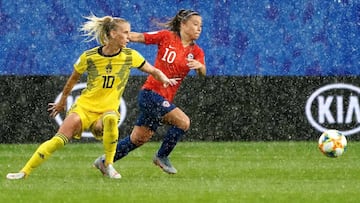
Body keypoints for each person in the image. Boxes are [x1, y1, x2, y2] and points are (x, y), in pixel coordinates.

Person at [6, 14, 178, 180]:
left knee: (110, 118)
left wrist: (164, 79)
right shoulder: (89, 57)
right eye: (125, 33)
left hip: (106, 110)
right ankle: (24, 172)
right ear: (112, 34)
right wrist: (62, 101)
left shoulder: (130, 56)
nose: (129, 37)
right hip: (84, 108)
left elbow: (153, 70)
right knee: (58, 141)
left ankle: (108, 164)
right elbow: (73, 79)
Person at [93, 9, 206, 175]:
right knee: (183, 122)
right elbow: (139, 37)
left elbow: (203, 72)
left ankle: (104, 162)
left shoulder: (196, 52)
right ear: (183, 24)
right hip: (151, 93)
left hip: (163, 97)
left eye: (201, 26)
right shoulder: (167, 37)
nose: (199, 28)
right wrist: (119, 35)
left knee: (138, 139)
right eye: (195, 24)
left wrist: (200, 66)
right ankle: (161, 156)